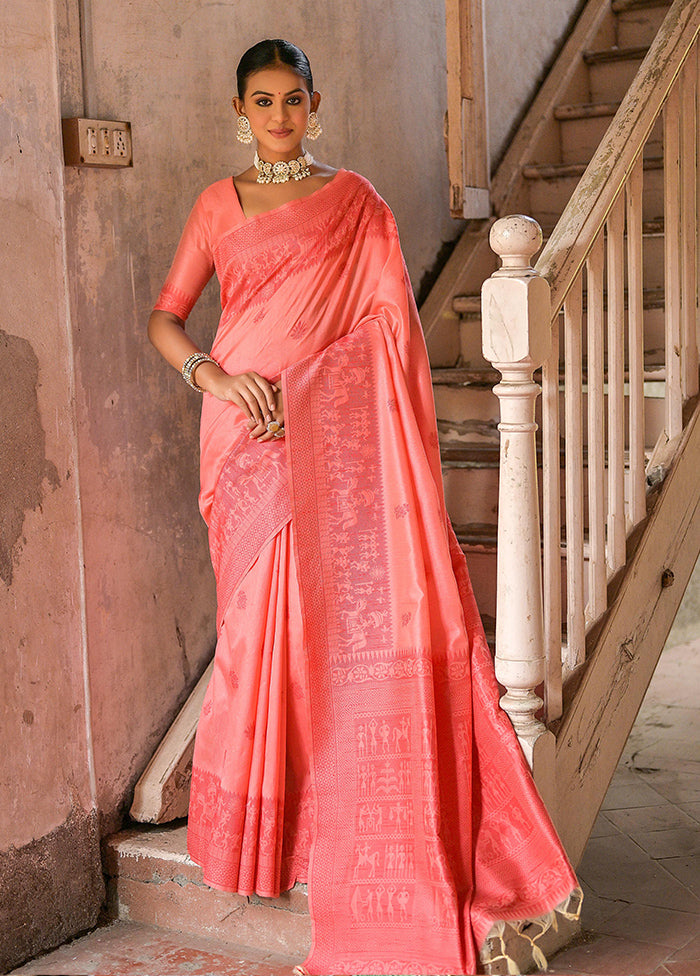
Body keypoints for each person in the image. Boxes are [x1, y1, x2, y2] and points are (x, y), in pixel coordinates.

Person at [148, 38, 580, 976]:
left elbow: (387, 329)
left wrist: (309, 390)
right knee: (258, 631)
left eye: (291, 99)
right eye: (259, 100)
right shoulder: (218, 206)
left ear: (314, 104)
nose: (276, 115)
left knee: (329, 635)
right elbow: (167, 314)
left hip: (325, 438)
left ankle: (326, 817)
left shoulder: (357, 206)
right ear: (240, 110)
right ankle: (259, 836)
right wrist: (214, 377)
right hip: (242, 445)